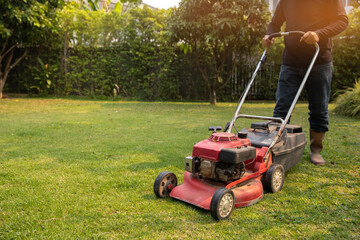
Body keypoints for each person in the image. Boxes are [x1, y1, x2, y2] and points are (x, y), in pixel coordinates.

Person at [262, 0, 348, 165]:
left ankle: (316, 150)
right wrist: (269, 34)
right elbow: (275, 23)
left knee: (319, 108)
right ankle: (274, 148)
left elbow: (342, 21)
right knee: (282, 107)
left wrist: (319, 34)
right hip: (291, 62)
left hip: (319, 61)